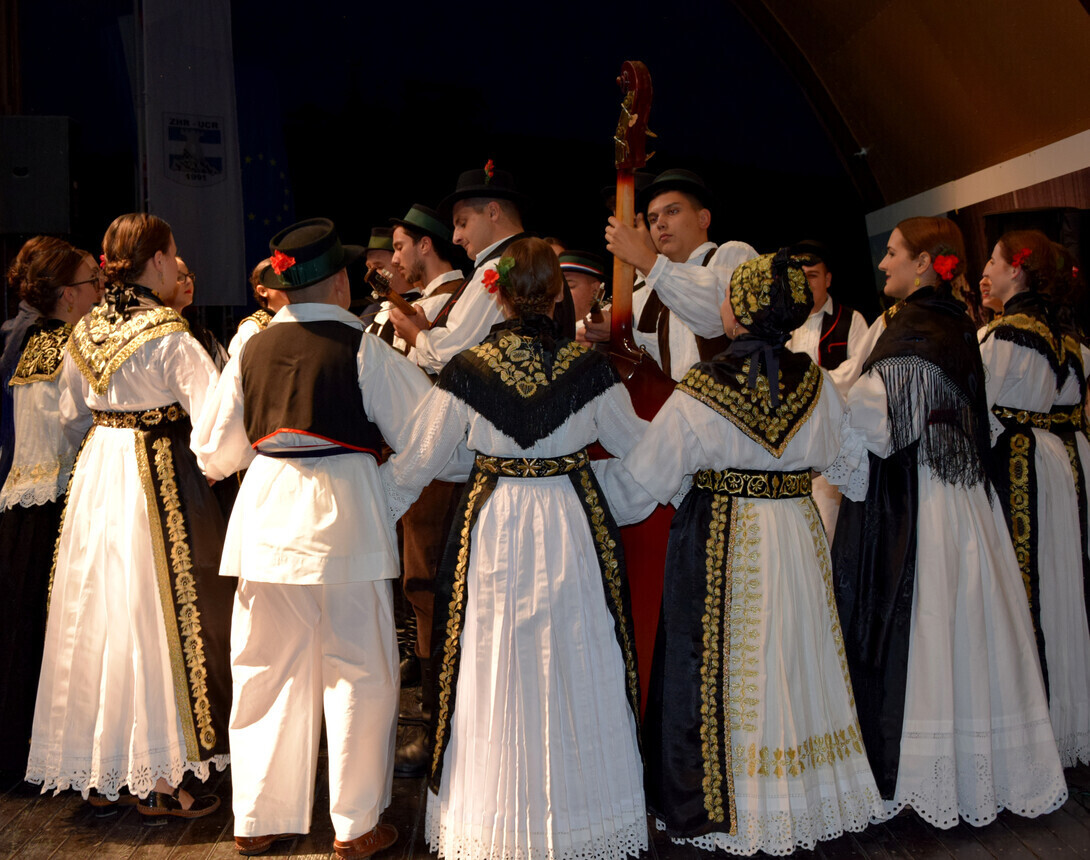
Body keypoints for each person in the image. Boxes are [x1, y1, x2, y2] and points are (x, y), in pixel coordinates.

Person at [381, 237, 648, 860]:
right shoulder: (589, 370)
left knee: (494, 654)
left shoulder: (467, 370)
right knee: (575, 649)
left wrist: (367, 513)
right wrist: (618, 488)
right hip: (569, 522)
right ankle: (586, 817)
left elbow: (416, 463)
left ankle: (495, 817)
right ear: (557, 295)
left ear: (497, 297)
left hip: (496, 522)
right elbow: (642, 448)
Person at [611, 250, 886, 855]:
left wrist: (580, 491)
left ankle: (737, 802)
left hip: (727, 538)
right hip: (797, 531)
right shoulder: (818, 384)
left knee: (734, 664)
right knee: (794, 652)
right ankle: (805, 792)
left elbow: (643, 483)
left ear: (738, 311)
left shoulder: (703, 387)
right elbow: (854, 473)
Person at [194, 218, 432, 859]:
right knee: (358, 670)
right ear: (340, 282)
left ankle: (257, 817)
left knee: (264, 669)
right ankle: (355, 827)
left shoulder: (250, 348)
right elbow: (429, 430)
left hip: (267, 520)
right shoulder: (362, 348)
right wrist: (389, 490)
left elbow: (213, 451)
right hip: (347, 517)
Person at [829, 216, 1067, 827]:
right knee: (965, 627)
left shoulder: (916, 327)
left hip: (917, 502)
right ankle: (970, 768)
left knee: (927, 622)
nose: (882, 263)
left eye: (892, 252)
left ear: (923, 263)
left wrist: (814, 405)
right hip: (960, 498)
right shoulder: (956, 323)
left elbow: (874, 423)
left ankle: (921, 776)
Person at [26, 212, 232, 819]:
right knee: (153, 614)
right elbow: (216, 423)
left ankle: (102, 768)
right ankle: (161, 778)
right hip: (155, 475)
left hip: (100, 473)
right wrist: (221, 466)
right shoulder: (169, 333)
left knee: (101, 611)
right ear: (159, 260)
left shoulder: (86, 328)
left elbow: (71, 415)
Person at [979, 229, 1090, 768]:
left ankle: (1034, 731)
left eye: (992, 261)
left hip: (1018, 462)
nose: (985, 270)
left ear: (1016, 269)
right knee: (1060, 585)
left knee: (1026, 591)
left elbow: (980, 404)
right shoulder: (1063, 336)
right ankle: (1065, 721)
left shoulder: (1009, 334)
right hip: (1053, 459)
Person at [0, 239, 103, 780]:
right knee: (53, 635)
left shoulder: (32, 342)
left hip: (22, 506)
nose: (100, 291)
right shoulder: (69, 345)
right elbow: (75, 424)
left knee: (21, 632)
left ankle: (20, 751)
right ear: (68, 295)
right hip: (54, 504)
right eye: (92, 283)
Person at [385, 204, 467, 777]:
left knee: (433, 586)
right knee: (420, 587)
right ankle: (434, 717)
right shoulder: (425, 305)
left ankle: (441, 726)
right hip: (419, 457)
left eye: (399, 246)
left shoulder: (457, 302)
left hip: (443, 464)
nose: (394, 259)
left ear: (425, 246)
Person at [594, 168, 758, 380]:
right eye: (653, 219)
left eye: (672, 211)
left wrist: (646, 260)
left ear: (703, 218)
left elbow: (716, 319)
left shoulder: (733, 255)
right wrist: (614, 332)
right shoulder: (657, 286)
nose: (660, 223)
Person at [389, 161, 531, 374]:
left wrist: (416, 335)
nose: (455, 238)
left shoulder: (497, 269)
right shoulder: (530, 260)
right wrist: (426, 330)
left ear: (493, 212)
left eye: (462, 223)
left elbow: (456, 355)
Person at [172, 256, 228, 370]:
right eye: (179, 277)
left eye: (189, 276)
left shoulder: (203, 336)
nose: (189, 282)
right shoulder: (154, 337)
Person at [227, 258, 288, 359]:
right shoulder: (252, 327)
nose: (289, 288)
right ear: (263, 291)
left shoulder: (301, 319)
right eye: (281, 283)